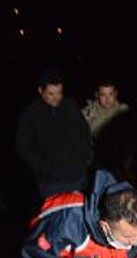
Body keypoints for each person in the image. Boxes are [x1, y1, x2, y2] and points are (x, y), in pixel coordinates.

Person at [16, 69, 93, 198]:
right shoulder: (31, 114)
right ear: (41, 91)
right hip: (50, 183)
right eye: (51, 94)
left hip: (77, 177)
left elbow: (84, 132)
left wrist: (85, 158)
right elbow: (23, 146)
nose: (56, 97)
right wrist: (43, 167)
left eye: (59, 93)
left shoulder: (70, 105)